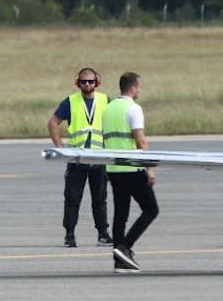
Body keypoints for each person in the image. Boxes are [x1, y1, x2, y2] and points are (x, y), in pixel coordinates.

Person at [47, 67, 112, 249]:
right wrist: (60, 147)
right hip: (77, 159)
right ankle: (69, 235)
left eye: (90, 81)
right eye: (83, 81)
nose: (87, 84)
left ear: (96, 82)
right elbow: (53, 123)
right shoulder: (70, 101)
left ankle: (103, 234)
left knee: (100, 199)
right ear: (78, 83)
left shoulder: (106, 100)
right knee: (72, 199)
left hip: (99, 158)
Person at [101, 71, 159, 273]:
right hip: (131, 168)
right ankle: (125, 247)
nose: (139, 90)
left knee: (121, 213)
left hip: (113, 168)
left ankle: (119, 260)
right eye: (139, 87)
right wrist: (150, 167)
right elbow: (141, 141)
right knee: (151, 209)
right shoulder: (133, 108)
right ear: (133, 88)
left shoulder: (107, 109)